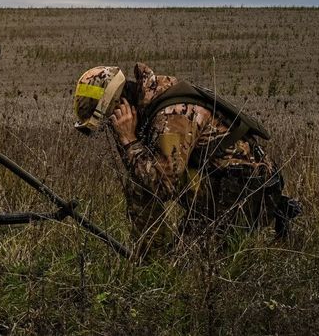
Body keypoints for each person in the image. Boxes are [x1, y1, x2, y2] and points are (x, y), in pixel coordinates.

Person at [73, 63, 300, 257]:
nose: (109, 128)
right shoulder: (149, 107)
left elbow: (162, 186)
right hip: (218, 188)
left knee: (187, 265)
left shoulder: (172, 116)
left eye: (108, 122)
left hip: (245, 193)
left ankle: (156, 263)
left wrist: (129, 141)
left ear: (120, 106)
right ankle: (152, 261)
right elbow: (142, 175)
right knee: (140, 181)